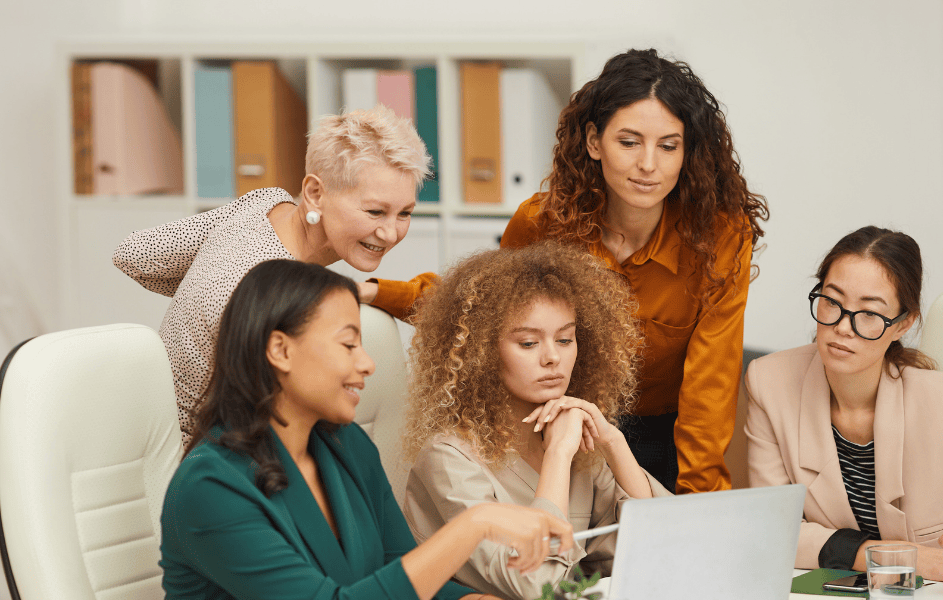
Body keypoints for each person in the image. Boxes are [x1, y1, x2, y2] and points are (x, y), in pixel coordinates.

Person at [361, 49, 768, 494]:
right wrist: (373, 291)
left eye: (668, 146)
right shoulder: (542, 222)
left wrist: (697, 508)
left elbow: (710, 388)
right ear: (594, 142)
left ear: (687, 151)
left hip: (668, 438)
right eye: (629, 142)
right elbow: (479, 305)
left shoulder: (721, 237)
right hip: (556, 426)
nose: (648, 165)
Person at [159, 259, 576, 600]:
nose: (367, 364)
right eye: (348, 344)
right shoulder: (210, 486)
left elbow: (402, 576)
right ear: (280, 350)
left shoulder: (347, 446)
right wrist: (476, 525)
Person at [114, 106, 428, 444]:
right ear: (315, 194)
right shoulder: (279, 297)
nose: (391, 233)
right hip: (212, 460)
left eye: (405, 213)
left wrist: (204, 295)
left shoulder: (263, 204)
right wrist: (219, 301)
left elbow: (135, 254)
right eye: (375, 211)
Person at [401, 242, 672, 600]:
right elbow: (537, 586)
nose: (552, 358)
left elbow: (665, 550)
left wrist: (613, 443)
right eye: (528, 343)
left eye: (565, 339)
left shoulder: (584, 447)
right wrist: (558, 456)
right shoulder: (448, 459)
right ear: (481, 352)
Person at [745, 226, 943, 584]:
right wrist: (895, 557)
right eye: (832, 301)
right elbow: (771, 529)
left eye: (869, 313)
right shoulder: (768, 383)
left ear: (904, 324)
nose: (843, 327)